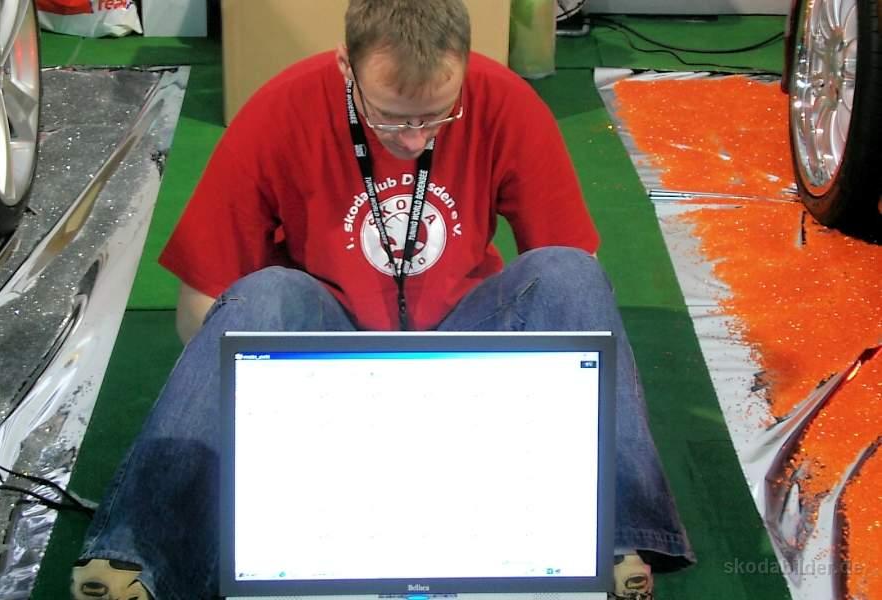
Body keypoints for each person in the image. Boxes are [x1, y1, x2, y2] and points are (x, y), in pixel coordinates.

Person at [70, 1, 694, 599]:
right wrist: (270, 418)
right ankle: (138, 555)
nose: (416, 139)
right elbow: (201, 306)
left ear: (465, 66)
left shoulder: (504, 101)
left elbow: (572, 288)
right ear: (347, 66)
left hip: (468, 362)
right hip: (331, 368)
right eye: (391, 118)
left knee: (571, 273)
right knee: (267, 292)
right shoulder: (283, 109)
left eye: (438, 116)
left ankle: (615, 538)